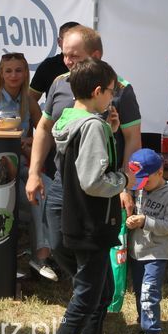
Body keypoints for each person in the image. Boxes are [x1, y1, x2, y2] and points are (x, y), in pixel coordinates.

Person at [26, 25, 141, 278]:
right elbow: (44, 128)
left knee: (91, 250)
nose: (68, 62)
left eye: (75, 56)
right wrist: (34, 173)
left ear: (96, 55)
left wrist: (125, 186)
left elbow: (132, 139)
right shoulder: (59, 82)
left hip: (99, 186)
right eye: (65, 55)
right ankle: (93, 291)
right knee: (57, 243)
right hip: (61, 182)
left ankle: (90, 297)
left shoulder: (120, 88)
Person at [46, 58, 136, 334]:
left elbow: (82, 159)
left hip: (71, 216)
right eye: (111, 91)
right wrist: (124, 179)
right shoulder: (93, 126)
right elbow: (94, 180)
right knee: (86, 297)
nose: (113, 97)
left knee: (102, 290)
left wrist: (108, 132)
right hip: (91, 222)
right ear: (98, 91)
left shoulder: (69, 118)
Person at [0, 53, 54, 280]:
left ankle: (42, 254)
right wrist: (13, 140)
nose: (13, 75)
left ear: (25, 73)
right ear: (1, 73)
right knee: (36, 198)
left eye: (18, 70)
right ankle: (40, 255)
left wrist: (28, 144)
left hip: (26, 165)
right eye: (8, 71)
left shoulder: (29, 101)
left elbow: (45, 132)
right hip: (1, 170)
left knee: (54, 192)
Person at [125, 148, 168, 334]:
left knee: (149, 292)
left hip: (157, 252)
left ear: (160, 172)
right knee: (140, 292)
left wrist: (145, 222)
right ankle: (144, 325)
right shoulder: (141, 188)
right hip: (138, 250)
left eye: (145, 181)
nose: (141, 186)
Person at [30, 21, 80, 102]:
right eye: (68, 39)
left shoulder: (93, 67)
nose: (72, 43)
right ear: (59, 42)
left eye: (76, 39)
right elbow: (30, 100)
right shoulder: (48, 66)